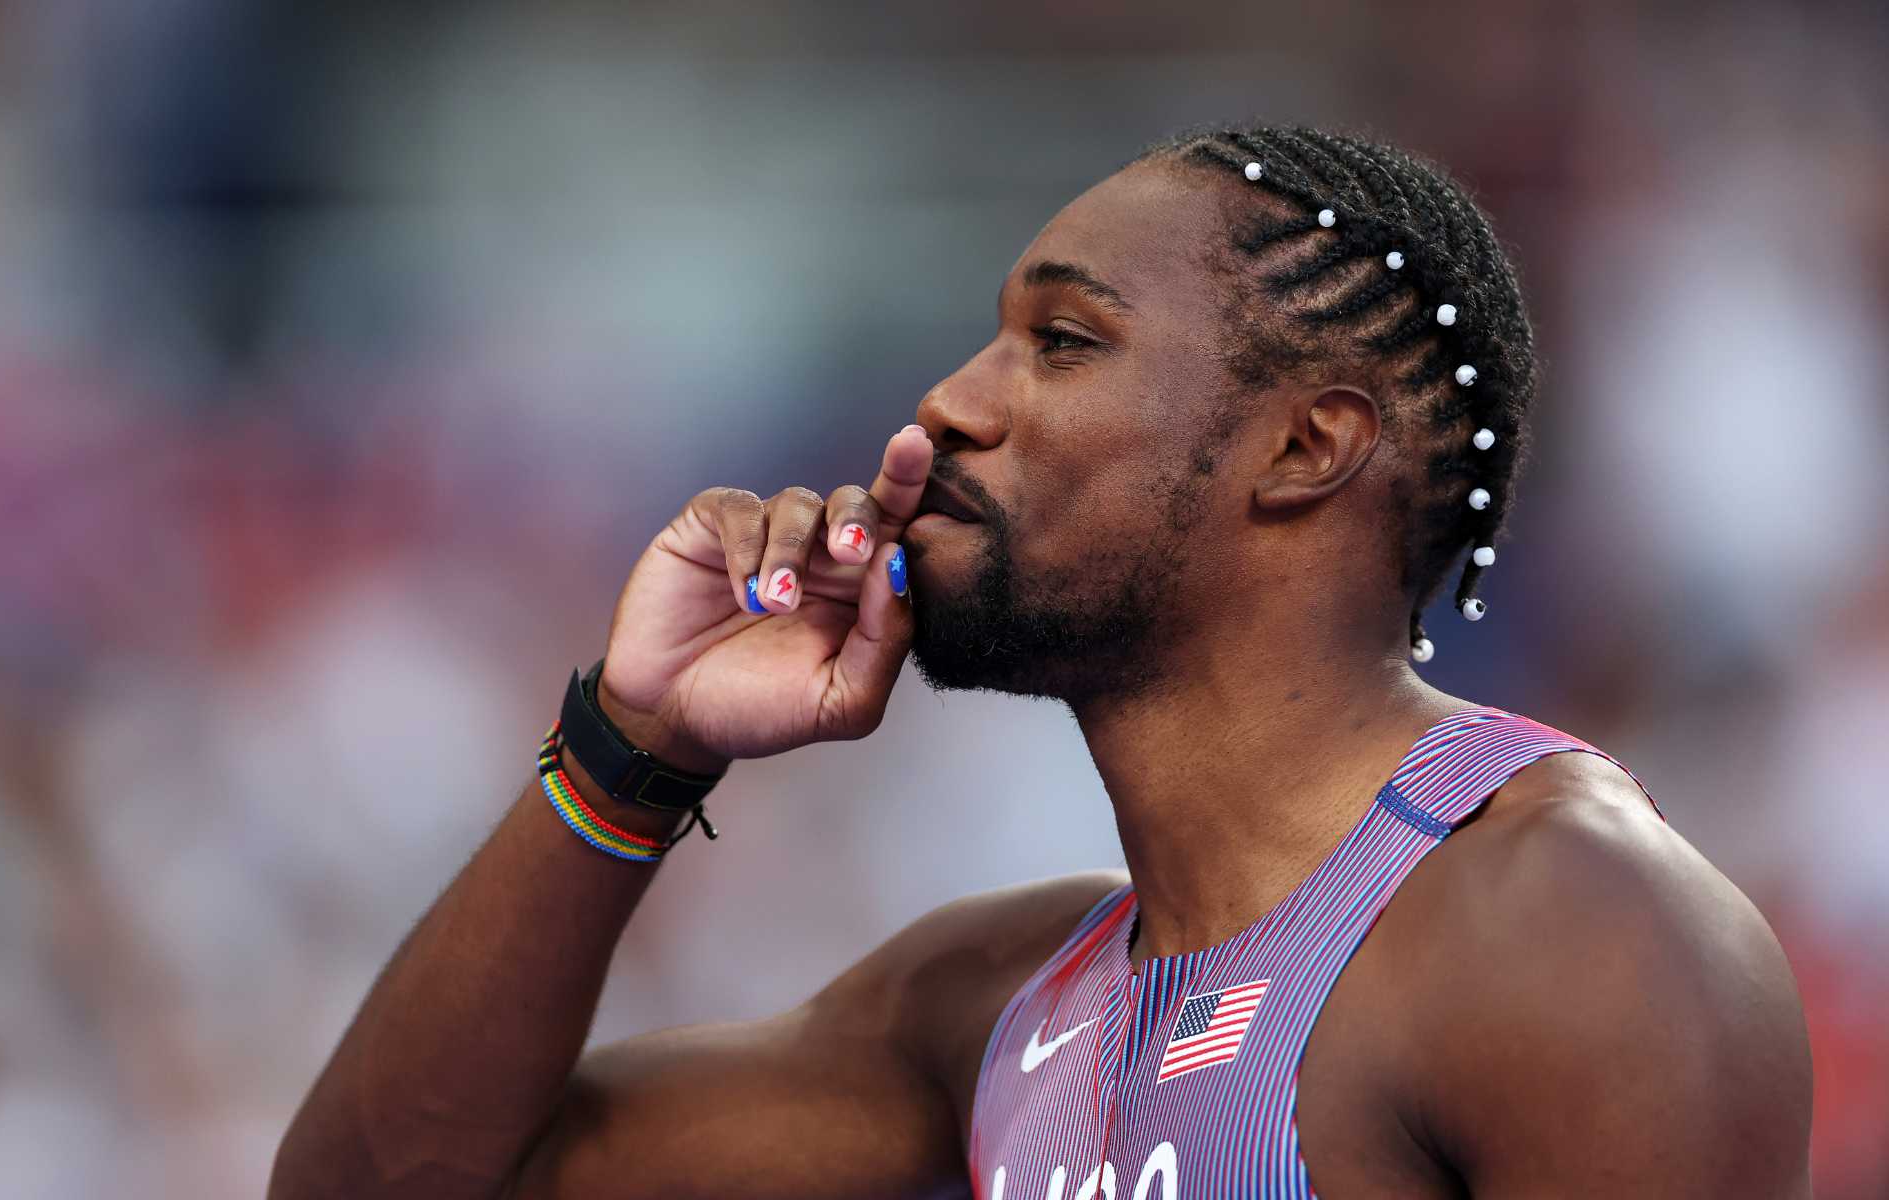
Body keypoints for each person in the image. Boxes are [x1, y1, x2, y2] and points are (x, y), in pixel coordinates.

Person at [270, 126, 1813, 1199]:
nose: (946, 403)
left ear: (1305, 445)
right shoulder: (993, 1005)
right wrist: (634, 748)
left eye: (1061, 343)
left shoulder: (1575, 930)